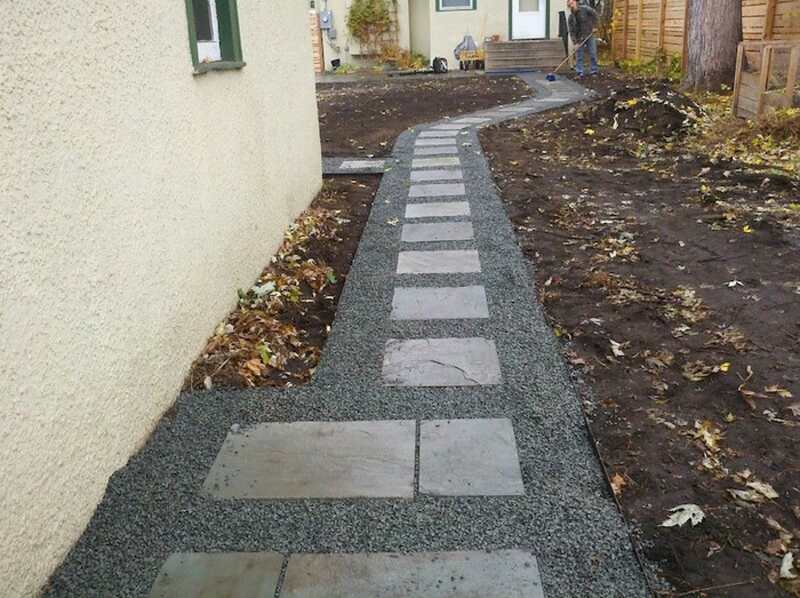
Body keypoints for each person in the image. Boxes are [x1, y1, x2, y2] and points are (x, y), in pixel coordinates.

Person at [567, 0, 599, 78]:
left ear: (575, 2)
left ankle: (594, 71)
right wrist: (575, 43)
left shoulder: (585, 9)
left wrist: (595, 26)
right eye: (569, 4)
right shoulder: (571, 18)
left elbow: (595, 15)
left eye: (572, 3)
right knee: (579, 55)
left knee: (593, 53)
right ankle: (579, 72)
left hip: (589, 34)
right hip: (579, 38)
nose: (571, 5)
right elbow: (572, 32)